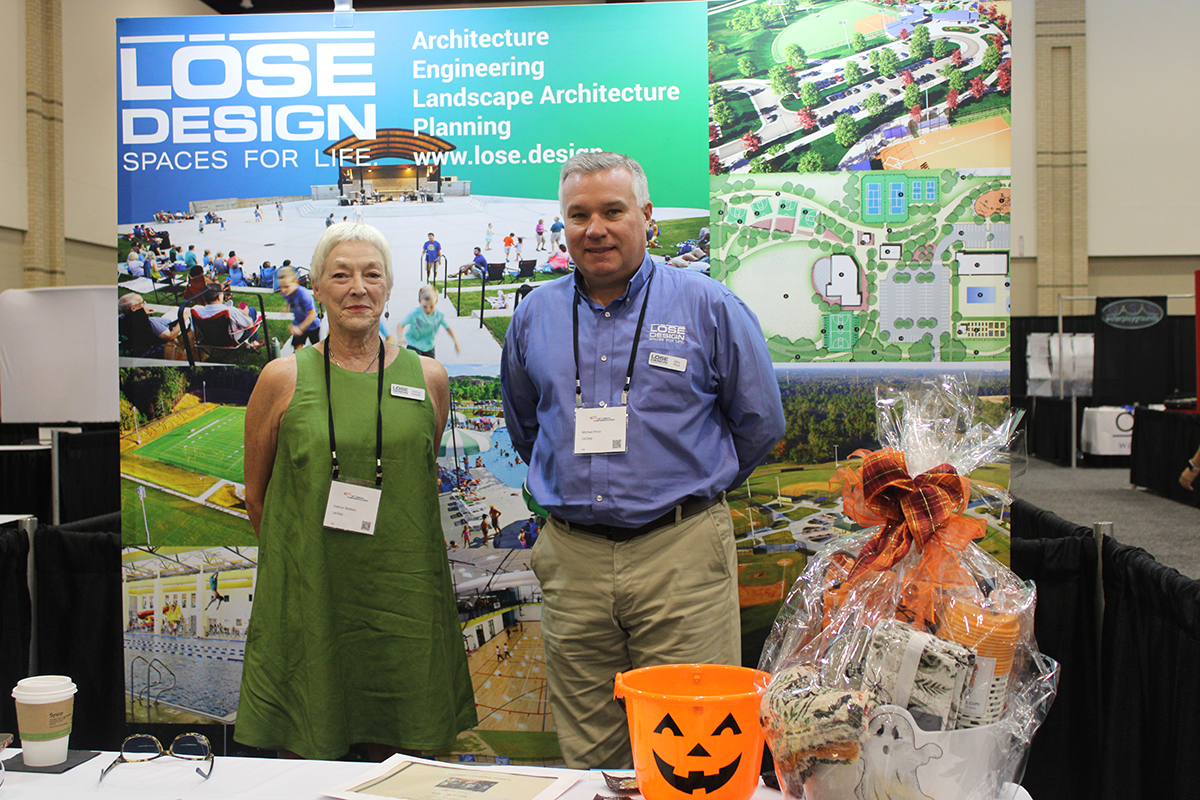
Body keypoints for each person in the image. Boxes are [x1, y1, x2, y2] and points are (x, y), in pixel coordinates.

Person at [500, 152, 785, 768]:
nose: (595, 229)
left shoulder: (708, 305)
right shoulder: (534, 314)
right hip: (573, 560)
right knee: (591, 752)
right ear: (563, 223)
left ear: (647, 216)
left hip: (679, 554)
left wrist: (692, 487)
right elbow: (528, 428)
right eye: (579, 215)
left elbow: (760, 422)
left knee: (692, 745)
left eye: (613, 211)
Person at [237, 222, 477, 760]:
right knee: (310, 766)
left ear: (388, 287)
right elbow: (257, 497)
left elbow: (416, 473)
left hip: (405, 606)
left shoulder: (430, 378)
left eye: (372, 274)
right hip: (312, 602)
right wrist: (302, 560)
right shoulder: (281, 379)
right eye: (341, 275)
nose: (358, 288)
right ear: (318, 288)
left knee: (404, 769)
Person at [397, 284, 460, 359]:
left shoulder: (439, 315)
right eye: (425, 307)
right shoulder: (414, 313)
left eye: (431, 306)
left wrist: (455, 342)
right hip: (414, 345)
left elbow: (448, 328)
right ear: (419, 301)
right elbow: (400, 325)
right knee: (416, 364)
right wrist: (400, 337)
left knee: (430, 365)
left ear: (436, 302)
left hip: (429, 346)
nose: (428, 310)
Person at [278, 266, 321, 351]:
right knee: (297, 346)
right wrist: (286, 308)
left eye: (286, 286)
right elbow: (289, 299)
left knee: (316, 347)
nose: (283, 290)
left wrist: (300, 328)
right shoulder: (287, 292)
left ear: (296, 282)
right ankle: (299, 357)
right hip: (298, 322)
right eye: (281, 286)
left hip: (312, 324)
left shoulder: (304, 294)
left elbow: (312, 314)